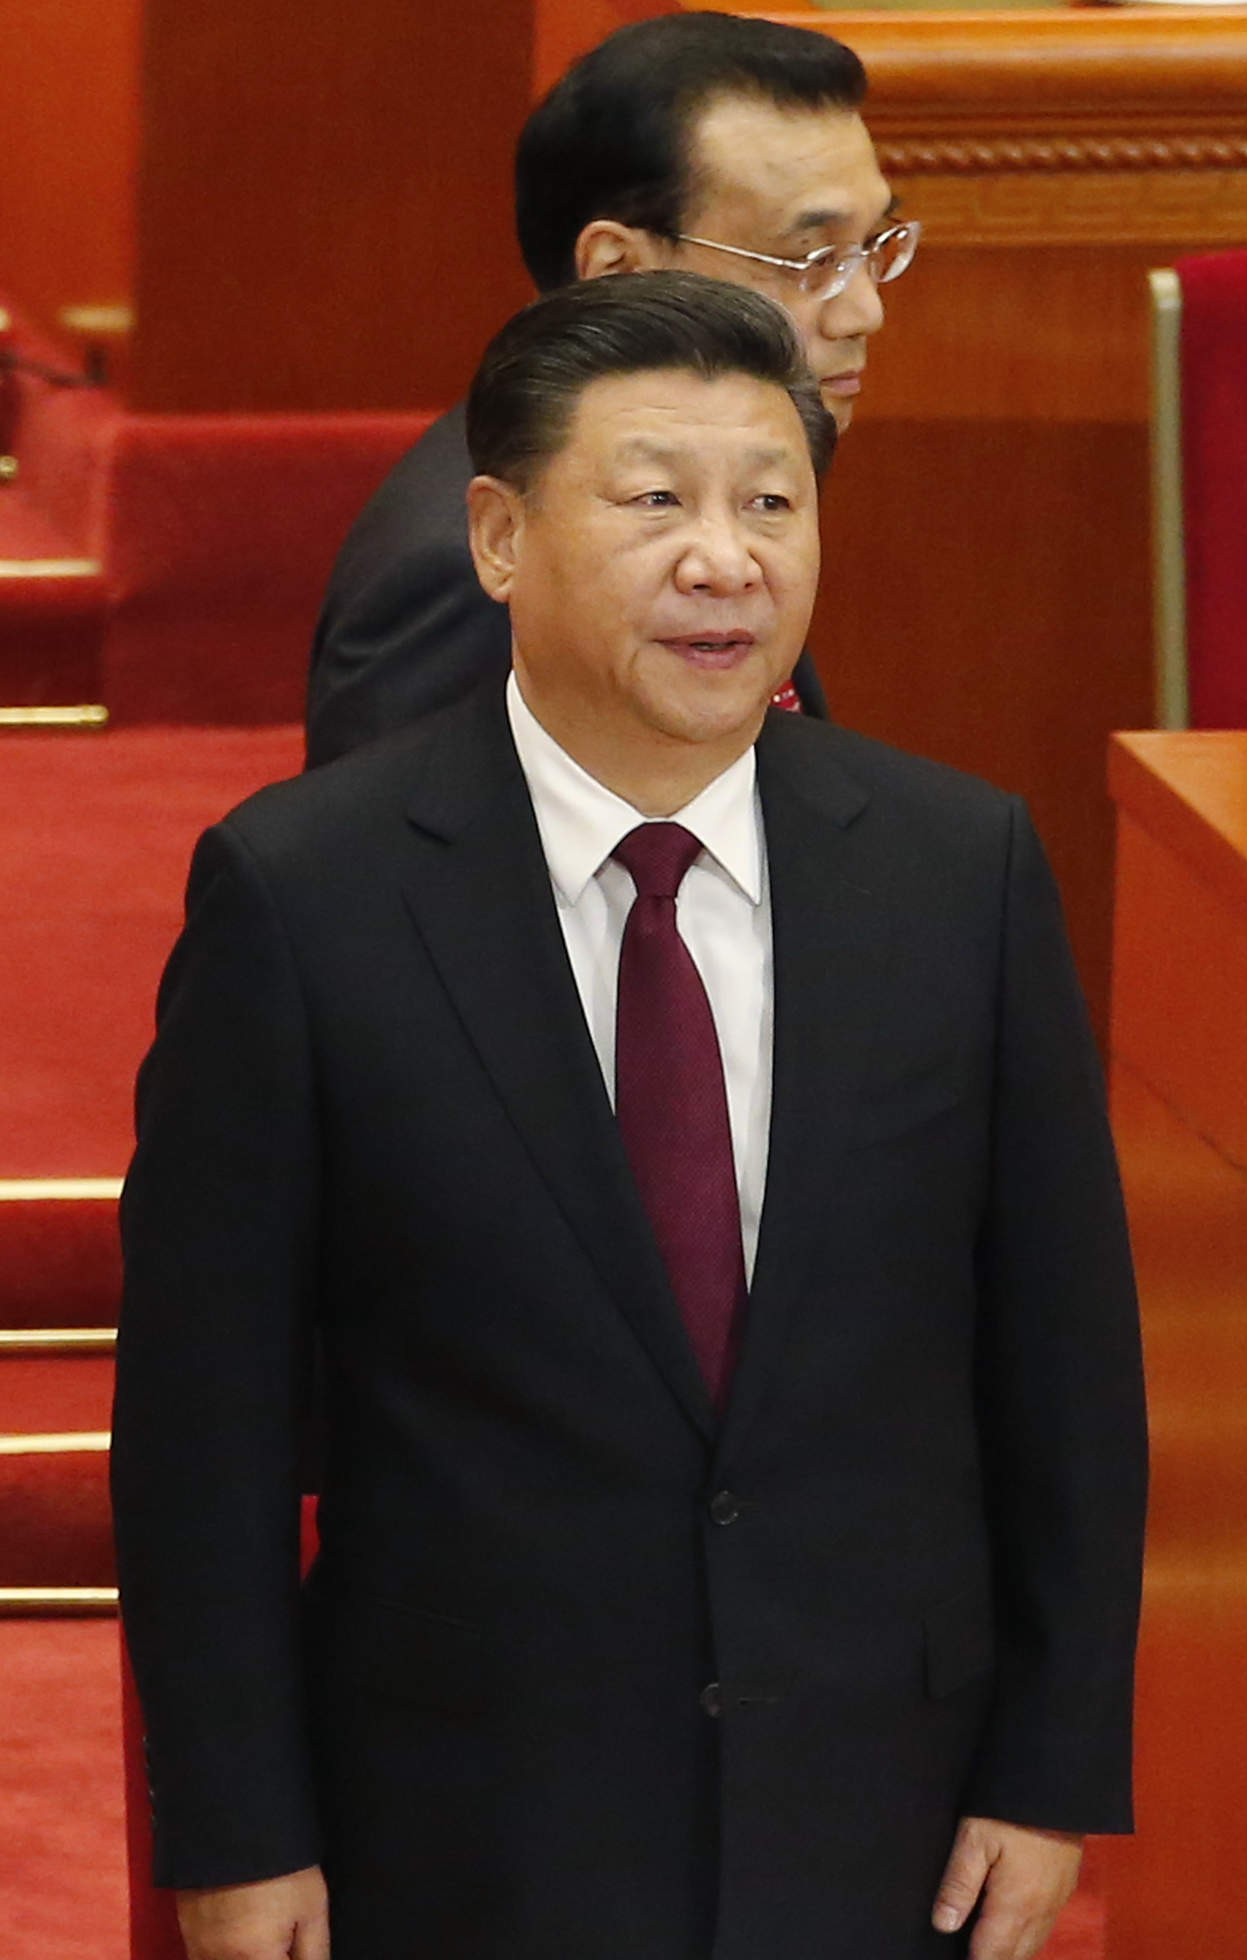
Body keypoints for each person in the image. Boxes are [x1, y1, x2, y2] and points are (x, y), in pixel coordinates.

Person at [112, 273, 1147, 1960]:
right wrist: (239, 1829)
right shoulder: (307, 895)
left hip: (878, 1808)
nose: (725, 561)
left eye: (771, 505)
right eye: (656, 501)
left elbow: (1065, 1368)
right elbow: (200, 1423)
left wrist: (1050, 1767)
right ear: (499, 537)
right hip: (464, 1818)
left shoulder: (962, 873)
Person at [306, 9, 920, 768]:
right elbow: (391, 836)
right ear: (618, 271)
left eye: (873, 246)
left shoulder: (735, 477)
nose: (864, 311)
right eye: (812, 260)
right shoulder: (471, 570)